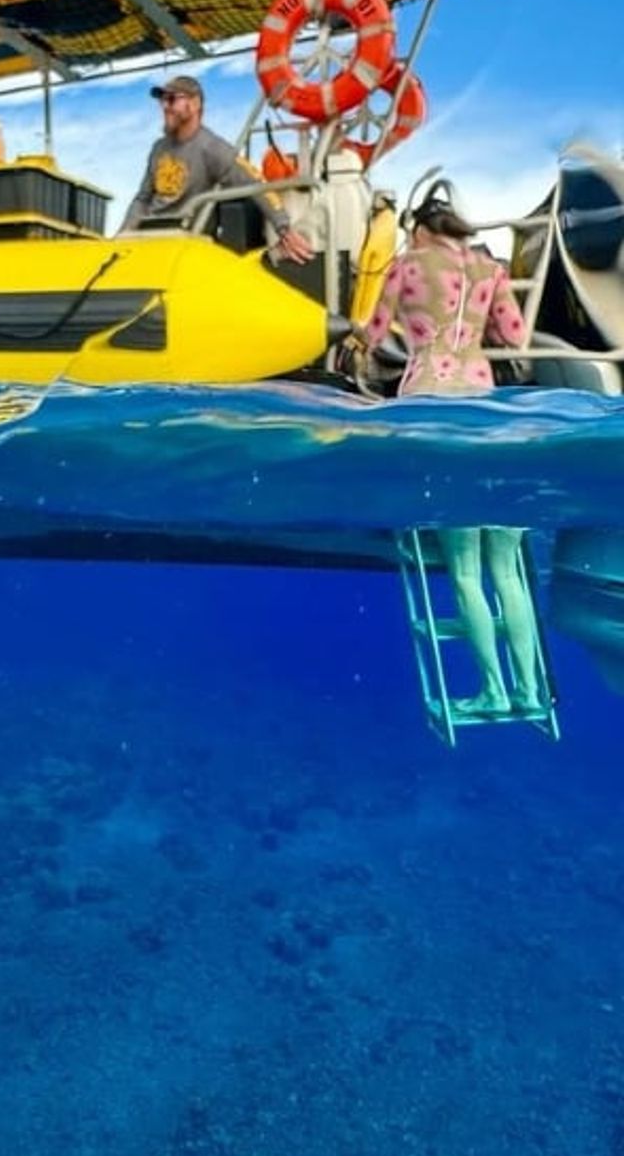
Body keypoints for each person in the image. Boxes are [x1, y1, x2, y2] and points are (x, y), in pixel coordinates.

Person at [361, 186, 541, 716]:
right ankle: (528, 691)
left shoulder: (406, 264)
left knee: (464, 570)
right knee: (506, 571)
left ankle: (491, 690)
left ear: (420, 228)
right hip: (486, 408)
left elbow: (371, 335)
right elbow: (514, 334)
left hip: (430, 403)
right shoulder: (491, 271)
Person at [120, 74, 313, 263]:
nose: (164, 107)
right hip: (146, 240)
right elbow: (143, 198)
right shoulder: (158, 148)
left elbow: (255, 183)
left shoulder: (213, 148)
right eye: (162, 101)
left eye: (171, 100)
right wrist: (122, 235)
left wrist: (284, 229)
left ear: (195, 104)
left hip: (185, 245)